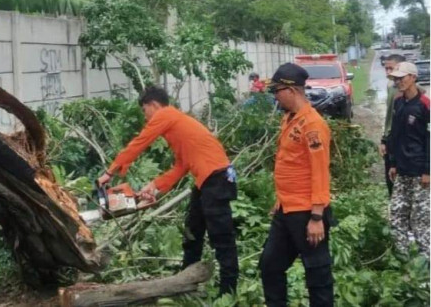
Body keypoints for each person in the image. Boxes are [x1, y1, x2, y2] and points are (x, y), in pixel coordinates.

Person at [98, 86, 238, 296]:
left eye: (145, 111)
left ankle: (228, 290)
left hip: (215, 179)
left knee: (221, 237)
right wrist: (155, 186)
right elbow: (181, 166)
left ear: (154, 105)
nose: (146, 118)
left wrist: (110, 172)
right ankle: (185, 279)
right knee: (193, 230)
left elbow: (140, 142)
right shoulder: (178, 124)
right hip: (206, 180)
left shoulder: (166, 115)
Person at [259, 63, 334, 307]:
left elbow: (319, 171)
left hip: (307, 213)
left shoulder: (312, 124)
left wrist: (316, 217)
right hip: (286, 209)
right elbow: (290, 164)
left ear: (291, 90)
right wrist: (279, 200)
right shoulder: (289, 119)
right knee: (270, 265)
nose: (275, 96)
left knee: (317, 274)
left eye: (277, 91)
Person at [386, 61, 430, 257]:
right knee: (396, 216)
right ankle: (403, 260)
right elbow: (395, 134)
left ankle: (425, 264)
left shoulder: (425, 105)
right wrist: (393, 162)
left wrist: (427, 170)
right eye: (395, 79)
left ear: (413, 77)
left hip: (421, 173)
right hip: (402, 170)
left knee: (420, 221)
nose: (398, 82)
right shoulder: (398, 102)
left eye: (401, 78)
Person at [380, 54, 406, 196]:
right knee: (391, 181)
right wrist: (384, 139)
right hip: (392, 141)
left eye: (391, 68)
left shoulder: (415, 93)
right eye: (386, 68)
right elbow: (389, 116)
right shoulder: (391, 87)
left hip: (407, 146)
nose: (388, 72)